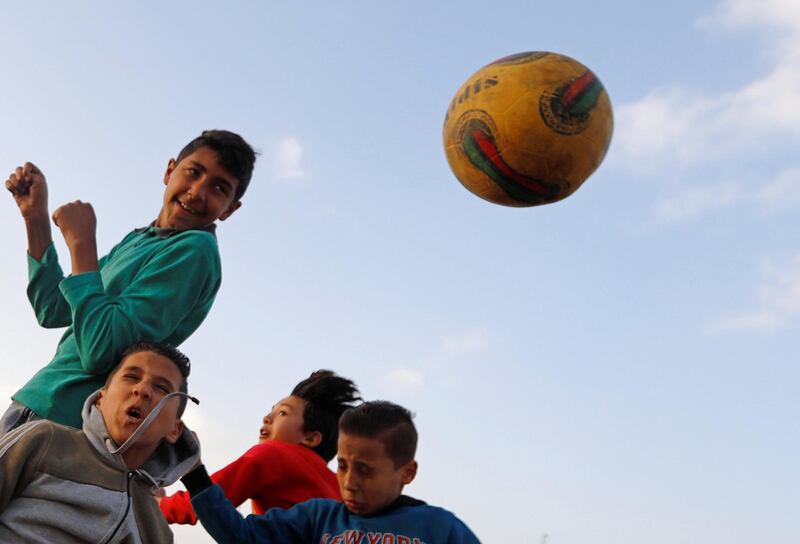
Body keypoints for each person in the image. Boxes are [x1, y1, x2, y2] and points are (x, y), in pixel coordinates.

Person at [1, 130, 256, 433]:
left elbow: (102, 351)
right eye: (193, 172)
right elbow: (52, 308)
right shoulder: (139, 240)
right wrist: (36, 218)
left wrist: (82, 245)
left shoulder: (194, 251)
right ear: (169, 170)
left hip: (71, 423)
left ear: (230, 209)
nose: (197, 192)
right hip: (38, 400)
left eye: (218, 188)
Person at [182, 401, 481, 543]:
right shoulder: (318, 518)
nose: (349, 483)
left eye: (365, 471)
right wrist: (194, 473)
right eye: (343, 465)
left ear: (407, 472)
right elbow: (242, 536)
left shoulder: (440, 529)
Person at [0, 341, 200, 543]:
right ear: (99, 400)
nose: (142, 389)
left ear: (175, 430)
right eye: (131, 376)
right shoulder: (44, 440)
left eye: (162, 388)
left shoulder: (157, 531)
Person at [159, 370, 361, 524]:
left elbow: (209, 498)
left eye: (283, 413)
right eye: (272, 410)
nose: (267, 417)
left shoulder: (274, 454)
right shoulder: (337, 485)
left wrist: (158, 506)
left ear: (310, 438)